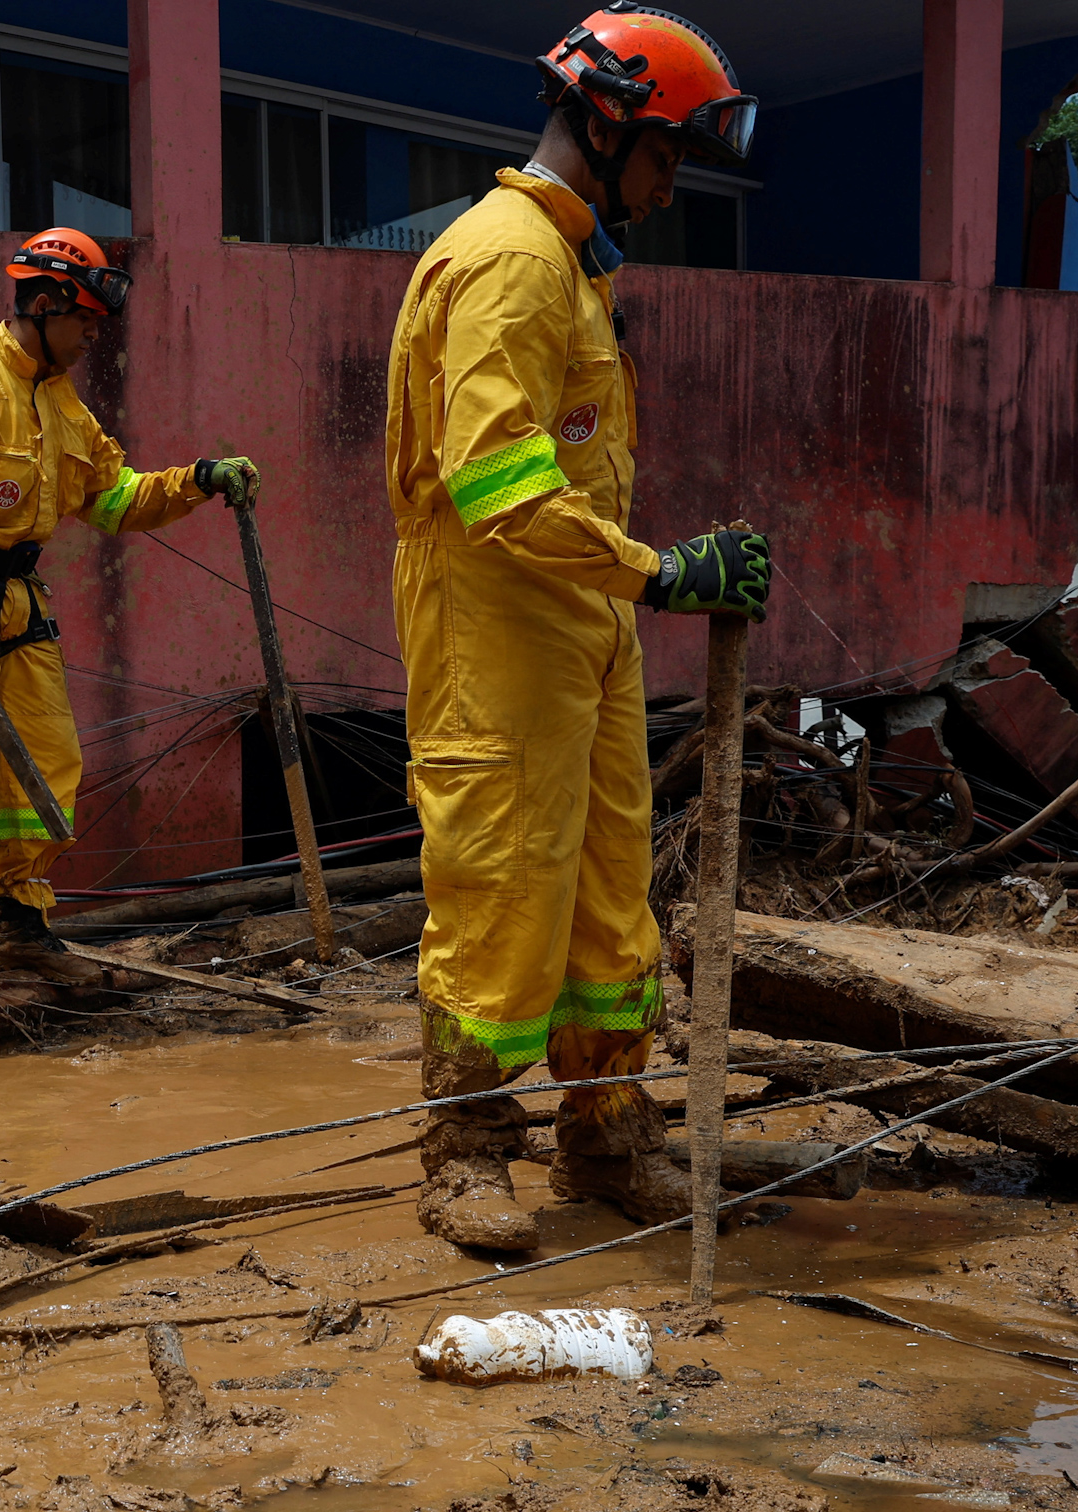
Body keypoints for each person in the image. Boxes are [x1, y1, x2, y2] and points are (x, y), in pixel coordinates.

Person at [385, 4, 772, 1252]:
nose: (670, 188)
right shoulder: (511, 263)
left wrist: (639, 585)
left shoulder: (571, 266)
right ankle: (466, 1150)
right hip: (498, 632)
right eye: (667, 156)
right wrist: (663, 574)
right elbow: (498, 486)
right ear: (609, 128)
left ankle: (605, 1131)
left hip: (576, 629)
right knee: (501, 890)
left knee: (610, 898)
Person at [0, 228, 258, 993]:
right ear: (43, 306)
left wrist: (201, 479)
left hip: (20, 607)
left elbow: (115, 500)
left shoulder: (62, 406)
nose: (91, 338)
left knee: (46, 764)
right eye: (83, 322)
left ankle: (24, 923)